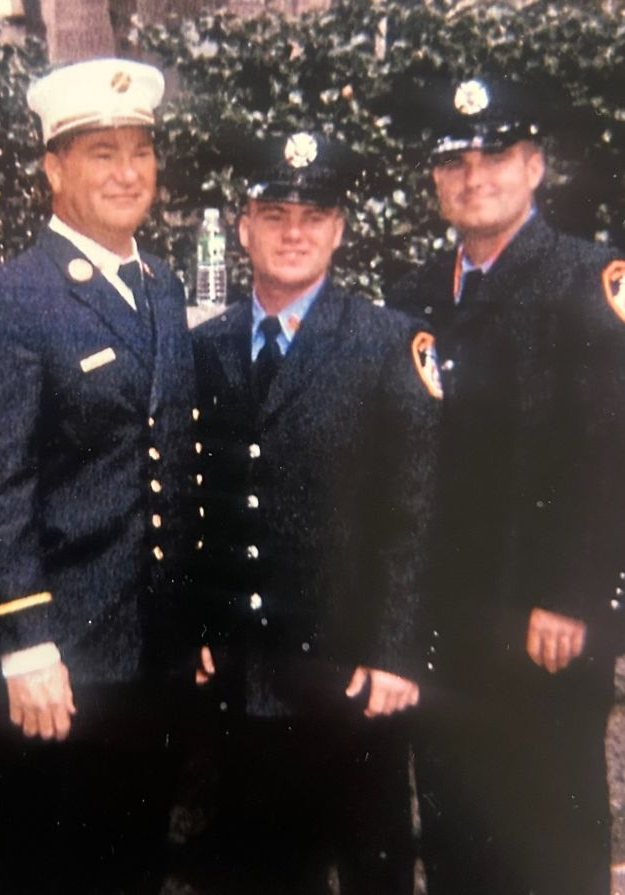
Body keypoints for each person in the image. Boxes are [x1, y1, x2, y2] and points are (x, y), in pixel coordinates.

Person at [0, 58, 199, 895]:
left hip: (155, 651)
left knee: (134, 862)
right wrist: (28, 644)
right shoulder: (14, 298)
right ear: (55, 169)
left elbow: (167, 457)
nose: (127, 172)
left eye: (140, 151)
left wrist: (187, 618)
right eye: (101, 152)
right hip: (65, 656)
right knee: (58, 870)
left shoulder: (161, 287)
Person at [386, 76, 625, 895]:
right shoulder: (417, 291)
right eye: (456, 160)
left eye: (497, 156)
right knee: (459, 842)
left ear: (535, 168)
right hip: (450, 628)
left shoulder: (586, 283)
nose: (475, 174)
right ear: (434, 179)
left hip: (543, 628)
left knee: (549, 846)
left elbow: (607, 451)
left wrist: (571, 594)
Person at [190, 132, 441, 895]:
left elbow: (415, 510)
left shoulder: (386, 341)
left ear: (338, 228)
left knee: (371, 868)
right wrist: (202, 623)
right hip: (242, 673)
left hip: (352, 671)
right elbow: (204, 502)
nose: (293, 231)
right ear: (244, 227)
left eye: (313, 214)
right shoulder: (208, 347)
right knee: (256, 873)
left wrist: (397, 649)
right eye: (274, 213)